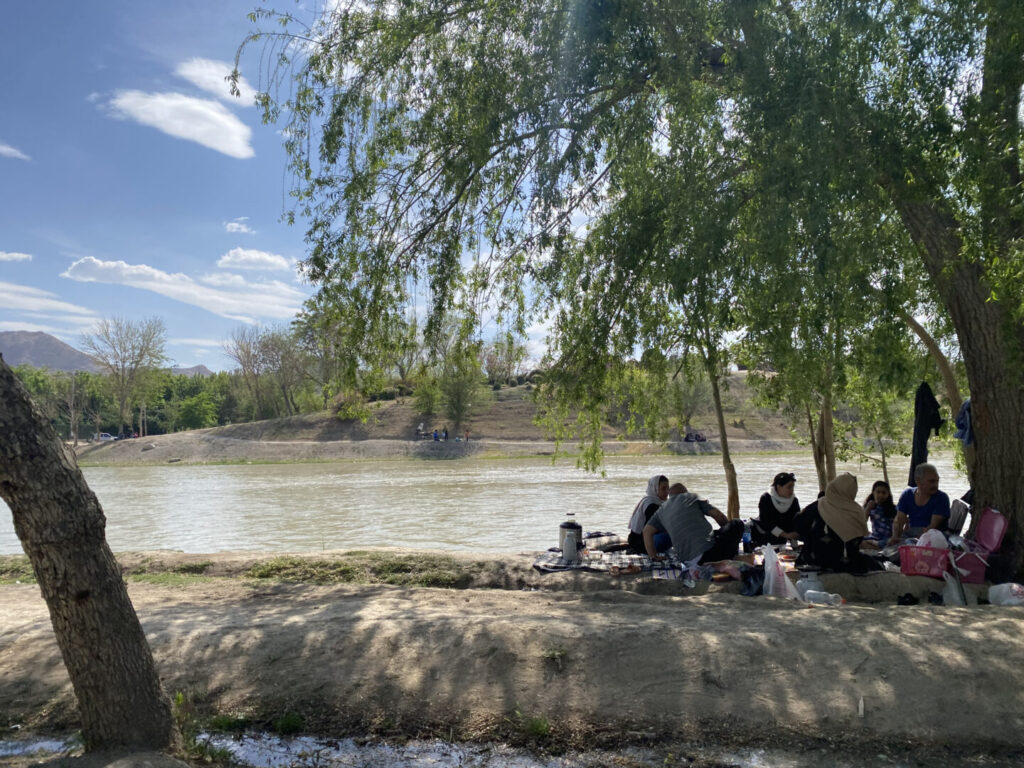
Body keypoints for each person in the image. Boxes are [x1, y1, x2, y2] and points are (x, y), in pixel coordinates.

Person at [795, 473, 879, 573]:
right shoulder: (857, 511)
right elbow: (859, 538)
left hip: (814, 562)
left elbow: (798, 526)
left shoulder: (818, 505)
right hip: (848, 564)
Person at [642, 485, 743, 565]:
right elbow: (719, 517)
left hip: (687, 561)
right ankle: (732, 557)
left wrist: (654, 557)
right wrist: (729, 534)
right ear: (685, 491)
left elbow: (646, 531)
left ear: (670, 496)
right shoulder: (692, 497)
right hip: (708, 555)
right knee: (736, 523)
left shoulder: (661, 510)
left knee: (716, 533)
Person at [889, 462, 950, 544]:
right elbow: (899, 520)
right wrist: (895, 536)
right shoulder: (907, 494)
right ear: (918, 481)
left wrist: (912, 541)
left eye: (937, 481)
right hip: (910, 534)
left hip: (933, 537)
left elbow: (932, 527)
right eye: (931, 481)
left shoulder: (941, 498)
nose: (935, 485)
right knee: (887, 546)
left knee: (905, 545)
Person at [752, 472, 800, 546]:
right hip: (764, 535)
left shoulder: (794, 501)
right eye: (789, 487)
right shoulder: (766, 498)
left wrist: (794, 542)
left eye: (793, 487)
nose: (792, 490)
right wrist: (785, 535)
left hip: (783, 538)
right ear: (778, 487)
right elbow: (766, 523)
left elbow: (795, 522)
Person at [627, 475, 670, 554]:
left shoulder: (657, 501)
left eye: (668, 488)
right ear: (655, 489)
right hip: (641, 542)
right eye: (663, 489)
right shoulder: (651, 504)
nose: (667, 492)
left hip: (640, 540)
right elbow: (653, 529)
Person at [862, 480, 897, 548]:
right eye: (878, 492)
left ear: (888, 494)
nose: (880, 495)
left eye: (884, 493)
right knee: (859, 542)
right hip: (875, 537)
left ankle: (878, 546)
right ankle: (877, 547)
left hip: (888, 538)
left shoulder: (893, 508)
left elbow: (900, 522)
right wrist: (868, 509)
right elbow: (862, 522)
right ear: (873, 492)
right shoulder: (870, 506)